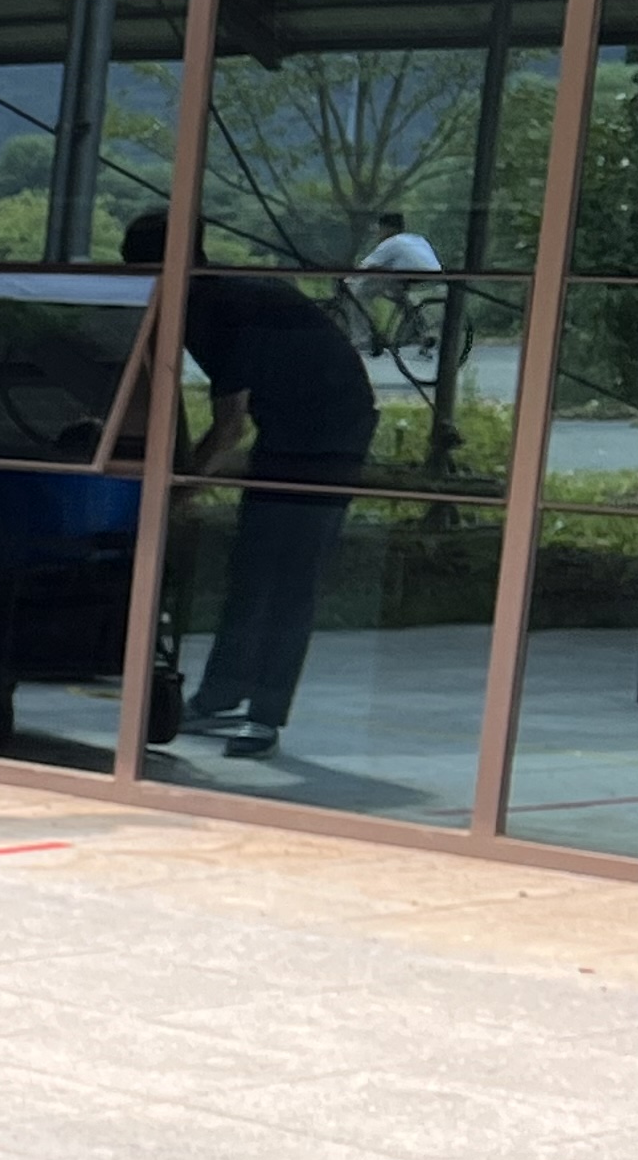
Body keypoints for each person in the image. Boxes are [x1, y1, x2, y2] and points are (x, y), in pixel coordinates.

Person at [127, 208, 378, 762]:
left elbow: (228, 428)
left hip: (332, 432)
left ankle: (265, 714)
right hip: (287, 426)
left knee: (291, 576)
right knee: (252, 565)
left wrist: (176, 492)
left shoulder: (215, 309)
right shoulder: (212, 296)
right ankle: (220, 695)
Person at [351, 209, 439, 352]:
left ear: (388, 228)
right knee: (400, 296)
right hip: (431, 272)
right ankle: (419, 330)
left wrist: (348, 279)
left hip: (406, 274)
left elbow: (366, 266)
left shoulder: (391, 242)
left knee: (358, 293)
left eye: (380, 228)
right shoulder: (416, 238)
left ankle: (363, 337)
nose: (378, 232)